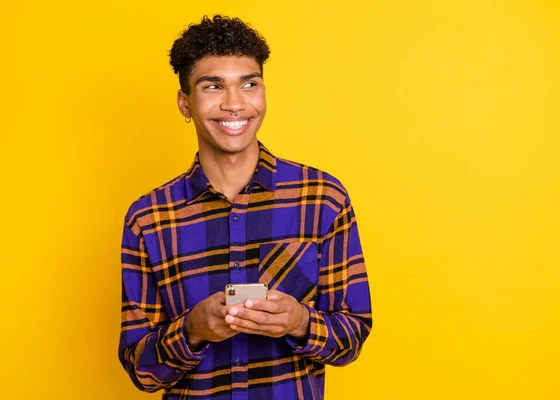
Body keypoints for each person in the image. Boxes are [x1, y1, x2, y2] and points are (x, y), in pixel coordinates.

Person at [118, 15, 372, 400]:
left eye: (249, 84)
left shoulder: (322, 198)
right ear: (185, 103)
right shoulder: (148, 219)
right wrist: (192, 331)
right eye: (213, 86)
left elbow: (352, 337)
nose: (234, 104)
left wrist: (300, 321)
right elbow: (142, 372)